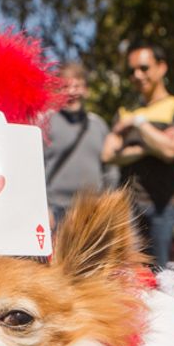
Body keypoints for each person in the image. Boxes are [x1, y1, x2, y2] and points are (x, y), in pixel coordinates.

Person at [102, 41, 174, 266]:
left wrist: (139, 123)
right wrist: (148, 148)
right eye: (132, 71)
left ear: (161, 67)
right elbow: (108, 154)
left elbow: (170, 151)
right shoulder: (125, 111)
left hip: (162, 206)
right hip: (129, 207)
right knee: (129, 275)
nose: (138, 75)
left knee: (160, 276)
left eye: (144, 68)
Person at [43, 62, 118, 225]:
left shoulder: (98, 125)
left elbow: (110, 168)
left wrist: (108, 203)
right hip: (56, 210)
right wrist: (43, 207)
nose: (71, 92)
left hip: (92, 211)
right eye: (65, 86)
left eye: (77, 86)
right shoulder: (45, 123)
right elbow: (34, 168)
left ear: (86, 90)